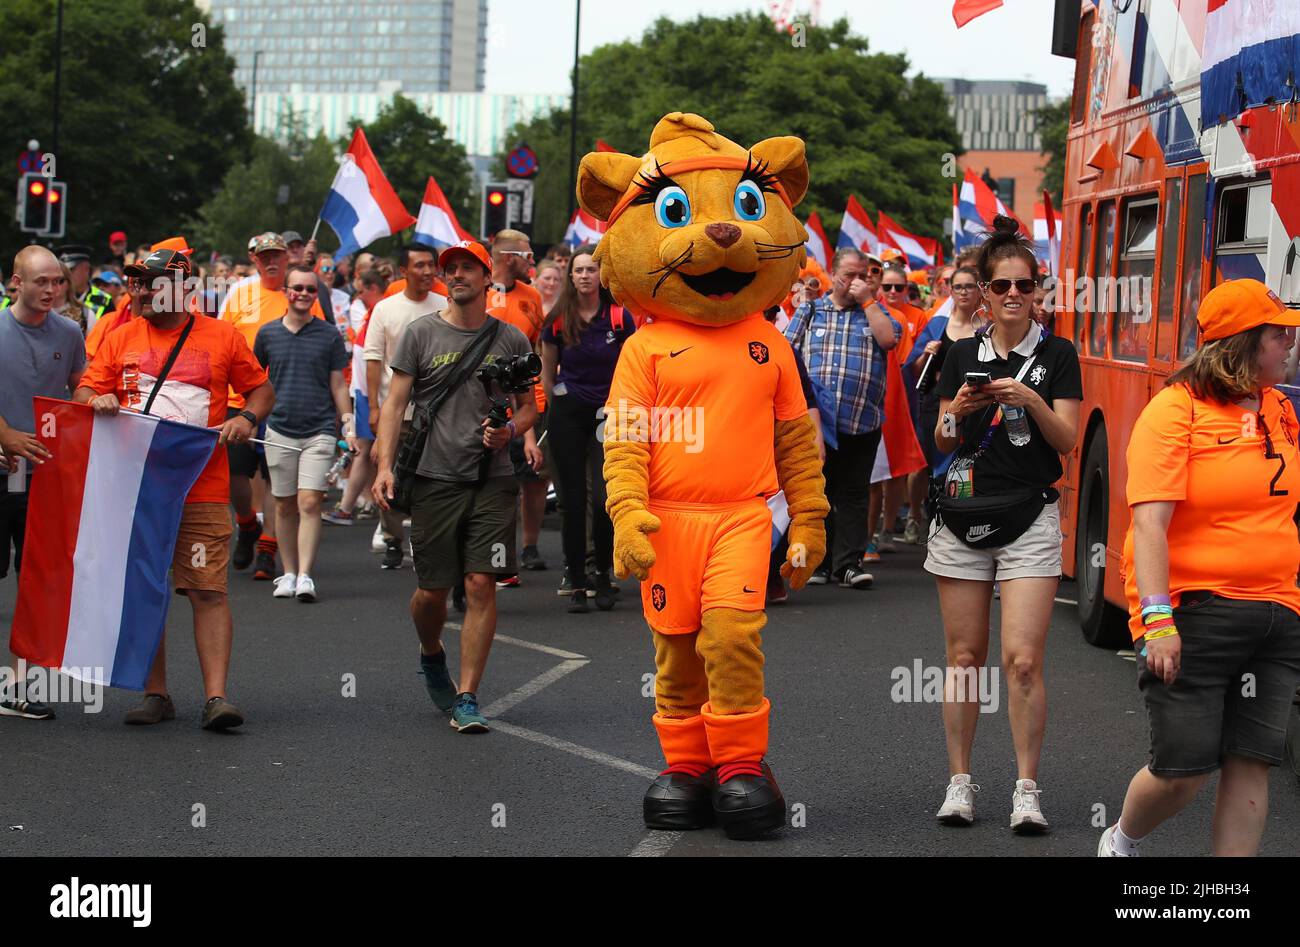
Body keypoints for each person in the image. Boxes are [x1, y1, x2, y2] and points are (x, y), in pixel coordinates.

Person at [1098, 279, 1300, 857]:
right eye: (1276, 333)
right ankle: (1121, 842)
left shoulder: (1278, 407)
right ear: (1240, 343)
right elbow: (1149, 526)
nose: (1288, 342)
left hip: (1278, 612)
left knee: (1252, 763)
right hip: (1195, 612)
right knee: (1183, 768)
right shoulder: (1173, 411)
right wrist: (1158, 623)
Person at [74, 247, 274, 731]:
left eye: (148, 283)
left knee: (207, 591)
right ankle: (156, 693)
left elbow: (262, 390)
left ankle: (216, 698)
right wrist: (94, 396)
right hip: (136, 492)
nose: (138, 291)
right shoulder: (120, 337)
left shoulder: (222, 335)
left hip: (203, 490)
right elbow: (82, 391)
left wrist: (246, 418)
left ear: (179, 287)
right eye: (136, 283)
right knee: (147, 590)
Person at [926, 216, 1081, 832]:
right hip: (963, 513)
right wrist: (958, 410)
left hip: (1030, 515)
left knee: (1022, 661)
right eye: (1002, 285)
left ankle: (1025, 788)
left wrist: (1032, 400)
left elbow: (1067, 442)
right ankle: (959, 783)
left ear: (1037, 291)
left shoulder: (1058, 353)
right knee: (964, 656)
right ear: (984, 294)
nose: (1014, 294)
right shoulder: (960, 353)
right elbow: (942, 437)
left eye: (1026, 284)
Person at [372, 240, 538, 734]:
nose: (458, 274)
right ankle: (430, 651)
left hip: (493, 480)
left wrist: (511, 431)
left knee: (481, 583)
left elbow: (529, 404)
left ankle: (467, 696)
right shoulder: (420, 334)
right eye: (452, 269)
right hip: (434, 477)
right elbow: (393, 404)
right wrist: (384, 467)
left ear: (489, 279)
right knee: (432, 592)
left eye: (468, 267)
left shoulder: (511, 339)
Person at [0, 246, 87, 720]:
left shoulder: (70, 332)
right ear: (17, 282)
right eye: (41, 282)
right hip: (0, 471)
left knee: (35, 581)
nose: (52, 290)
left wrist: (101, 396)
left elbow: (80, 386)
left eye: (57, 281)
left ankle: (16, 687)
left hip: (44, 476)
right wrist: (6, 434)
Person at [784, 246, 900, 589]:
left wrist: (868, 301)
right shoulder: (812, 310)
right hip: (818, 424)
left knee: (853, 494)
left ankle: (849, 564)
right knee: (821, 493)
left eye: (862, 276)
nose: (856, 282)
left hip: (861, 421)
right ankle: (820, 562)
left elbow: (889, 340)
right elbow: (786, 351)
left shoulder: (875, 311)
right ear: (834, 274)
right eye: (849, 275)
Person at [220, 232, 324, 580]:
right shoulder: (240, 293)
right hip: (238, 399)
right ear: (254, 259)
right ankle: (247, 524)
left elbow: (319, 339)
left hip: (282, 400)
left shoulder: (298, 292)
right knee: (236, 472)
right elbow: (221, 341)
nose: (272, 261)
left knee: (273, 477)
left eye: (277, 254)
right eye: (265, 256)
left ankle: (267, 548)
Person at [540, 246, 635, 612]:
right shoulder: (558, 320)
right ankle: (577, 580)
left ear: (601, 275)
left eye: (590, 270)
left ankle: (603, 575)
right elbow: (548, 377)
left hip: (609, 415)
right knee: (573, 501)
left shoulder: (618, 317)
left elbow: (632, 368)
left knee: (603, 500)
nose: (583, 276)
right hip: (568, 414)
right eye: (578, 270)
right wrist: (563, 404)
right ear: (571, 276)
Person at [254, 264, 354, 602]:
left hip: (320, 429)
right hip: (279, 428)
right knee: (283, 505)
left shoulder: (328, 334)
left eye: (310, 290)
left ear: (316, 295)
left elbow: (338, 383)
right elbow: (256, 382)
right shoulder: (267, 334)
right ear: (286, 291)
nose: (303, 294)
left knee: (309, 501)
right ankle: (289, 572)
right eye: (297, 288)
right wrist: (250, 417)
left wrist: (348, 420)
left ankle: (307, 576)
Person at [363, 242, 448, 569]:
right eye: (420, 266)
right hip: (395, 412)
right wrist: (373, 407)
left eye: (431, 265)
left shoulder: (445, 305)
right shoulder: (385, 309)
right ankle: (393, 538)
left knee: (432, 479)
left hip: (437, 413)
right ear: (403, 271)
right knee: (390, 475)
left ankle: (427, 538)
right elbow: (373, 360)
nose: (428, 272)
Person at [905, 265, 986, 532]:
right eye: (958, 287)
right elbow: (914, 370)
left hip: (976, 407)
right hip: (938, 407)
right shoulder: (938, 324)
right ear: (950, 291)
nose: (964, 292)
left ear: (979, 291)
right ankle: (936, 523)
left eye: (969, 286)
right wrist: (926, 353)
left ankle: (959, 522)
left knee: (967, 462)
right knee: (939, 463)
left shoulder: (988, 326)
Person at [487, 230, 548, 580]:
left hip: (529, 399)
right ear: (508, 256)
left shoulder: (533, 297)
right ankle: (498, 558)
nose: (531, 261)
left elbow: (536, 352)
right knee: (498, 487)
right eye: (527, 254)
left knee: (534, 478)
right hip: (488, 402)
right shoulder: (480, 296)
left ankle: (530, 545)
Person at [325, 268, 389, 525]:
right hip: (364, 392)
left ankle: (355, 510)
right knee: (366, 450)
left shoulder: (383, 310)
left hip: (373, 393)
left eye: (361, 291)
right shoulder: (374, 311)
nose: (357, 297)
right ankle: (352, 507)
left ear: (372, 289)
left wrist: (371, 398)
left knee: (369, 451)